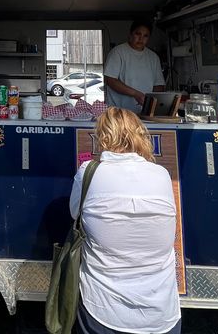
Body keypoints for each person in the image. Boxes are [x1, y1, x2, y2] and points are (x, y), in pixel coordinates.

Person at [70, 108, 180, 334]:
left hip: (101, 310)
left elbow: (75, 214)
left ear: (102, 136)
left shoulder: (88, 172)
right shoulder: (161, 174)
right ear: (139, 134)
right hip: (162, 315)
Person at [104, 20, 165, 110]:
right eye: (138, 34)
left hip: (144, 112)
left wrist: (152, 103)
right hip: (118, 111)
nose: (141, 39)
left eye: (145, 36)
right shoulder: (118, 52)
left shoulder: (153, 57)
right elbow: (110, 80)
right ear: (130, 34)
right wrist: (135, 94)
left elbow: (158, 85)